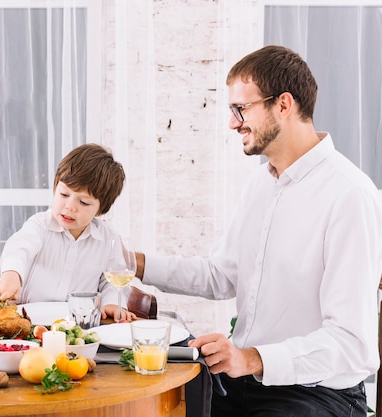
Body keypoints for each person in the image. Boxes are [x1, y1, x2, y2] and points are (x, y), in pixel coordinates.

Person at [135, 45, 382, 416]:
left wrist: (251, 358)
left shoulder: (350, 195)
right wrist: (133, 263)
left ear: (283, 105)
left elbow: (350, 343)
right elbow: (220, 276)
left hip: (317, 394)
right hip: (245, 383)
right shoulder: (260, 185)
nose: (233, 123)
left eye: (241, 109)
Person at [0, 143, 136, 322]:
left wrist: (111, 302)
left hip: (79, 325)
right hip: (28, 321)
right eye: (64, 195)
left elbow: (112, 279)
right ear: (55, 189)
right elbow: (18, 249)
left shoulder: (107, 238)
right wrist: (12, 273)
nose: (70, 206)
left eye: (84, 203)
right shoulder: (40, 225)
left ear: (102, 209)